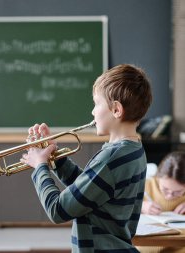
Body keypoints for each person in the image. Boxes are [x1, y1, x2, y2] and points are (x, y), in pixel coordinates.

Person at [20, 64, 152, 252]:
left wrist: (40, 166)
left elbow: (57, 210)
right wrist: (55, 157)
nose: (93, 112)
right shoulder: (134, 149)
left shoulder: (111, 157)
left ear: (116, 110)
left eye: (97, 103)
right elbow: (91, 191)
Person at [139, 151, 185, 253]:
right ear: (158, 177)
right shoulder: (144, 185)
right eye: (165, 189)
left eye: (177, 192)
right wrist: (140, 206)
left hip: (180, 244)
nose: (169, 196)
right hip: (149, 242)